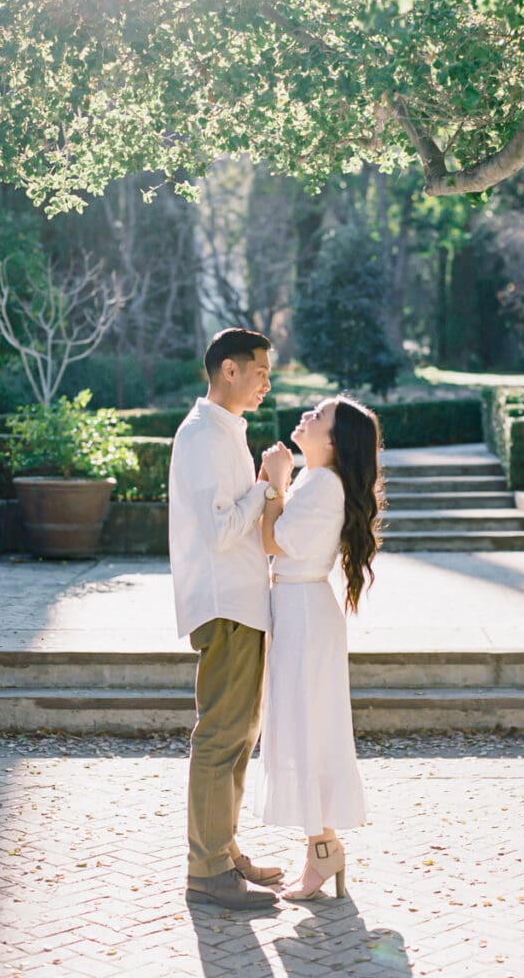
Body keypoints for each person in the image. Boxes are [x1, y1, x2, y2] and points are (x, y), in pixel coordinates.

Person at [168, 327, 284, 911]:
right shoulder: (203, 436)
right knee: (221, 735)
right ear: (229, 370)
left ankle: (223, 848)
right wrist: (266, 490)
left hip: (241, 603)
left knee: (240, 736)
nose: (268, 381)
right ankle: (207, 868)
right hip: (225, 604)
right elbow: (218, 531)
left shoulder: (223, 432)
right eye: (261, 369)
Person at [254, 395, 382, 900]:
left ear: (331, 441)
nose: (306, 416)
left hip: (304, 612)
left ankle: (324, 849)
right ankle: (321, 849)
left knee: (306, 726)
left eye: (319, 416)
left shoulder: (321, 484)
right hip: (299, 610)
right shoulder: (318, 482)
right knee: (301, 725)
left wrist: (273, 483)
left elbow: (272, 540)